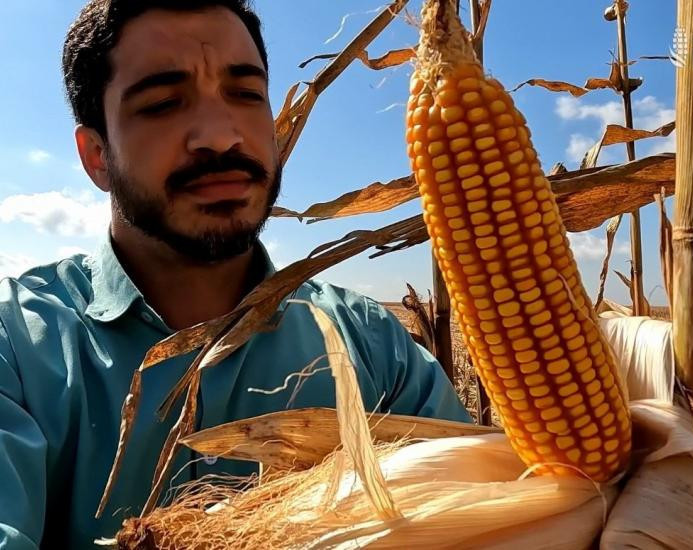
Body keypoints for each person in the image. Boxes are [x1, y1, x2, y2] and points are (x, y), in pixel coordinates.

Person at [0, 1, 471, 547]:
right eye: (162, 103)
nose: (221, 136)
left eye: (246, 95)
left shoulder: (373, 349)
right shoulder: (18, 349)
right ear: (97, 155)